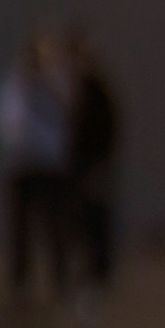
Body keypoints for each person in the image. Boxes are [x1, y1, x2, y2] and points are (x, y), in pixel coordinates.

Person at [0, 31, 71, 306]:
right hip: (23, 167)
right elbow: (7, 124)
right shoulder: (15, 85)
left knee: (54, 227)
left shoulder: (57, 82)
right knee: (21, 232)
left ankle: (60, 282)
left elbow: (69, 117)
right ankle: (21, 286)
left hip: (50, 167)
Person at [64, 35, 122, 309]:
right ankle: (87, 270)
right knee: (81, 220)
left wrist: (101, 164)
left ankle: (101, 270)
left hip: (94, 165)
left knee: (97, 219)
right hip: (79, 167)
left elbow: (109, 128)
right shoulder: (75, 89)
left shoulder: (96, 89)